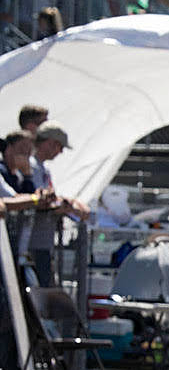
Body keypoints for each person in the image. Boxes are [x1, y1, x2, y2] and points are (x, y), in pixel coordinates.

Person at [27, 121, 89, 287]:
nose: (60, 152)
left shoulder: (43, 169)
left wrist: (69, 204)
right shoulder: (32, 167)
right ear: (49, 143)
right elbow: (41, 199)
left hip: (42, 243)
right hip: (33, 243)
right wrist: (67, 206)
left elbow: (51, 197)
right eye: (59, 146)